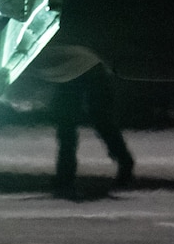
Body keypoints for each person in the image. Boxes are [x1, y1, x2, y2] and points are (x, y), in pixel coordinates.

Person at [51, 64, 134, 196]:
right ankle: (124, 162)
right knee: (96, 120)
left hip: (77, 69)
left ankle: (65, 176)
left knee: (69, 123)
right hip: (88, 66)